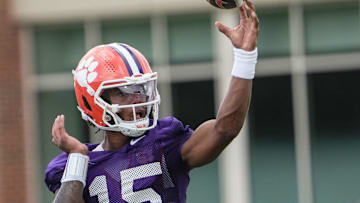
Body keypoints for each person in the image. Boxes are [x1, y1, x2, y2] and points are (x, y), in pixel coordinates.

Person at [45, 0, 259, 202]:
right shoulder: (77, 165)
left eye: (140, 89)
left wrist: (245, 57)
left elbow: (225, 129)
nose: (136, 98)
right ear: (93, 100)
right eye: (124, 91)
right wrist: (78, 157)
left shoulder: (163, 143)